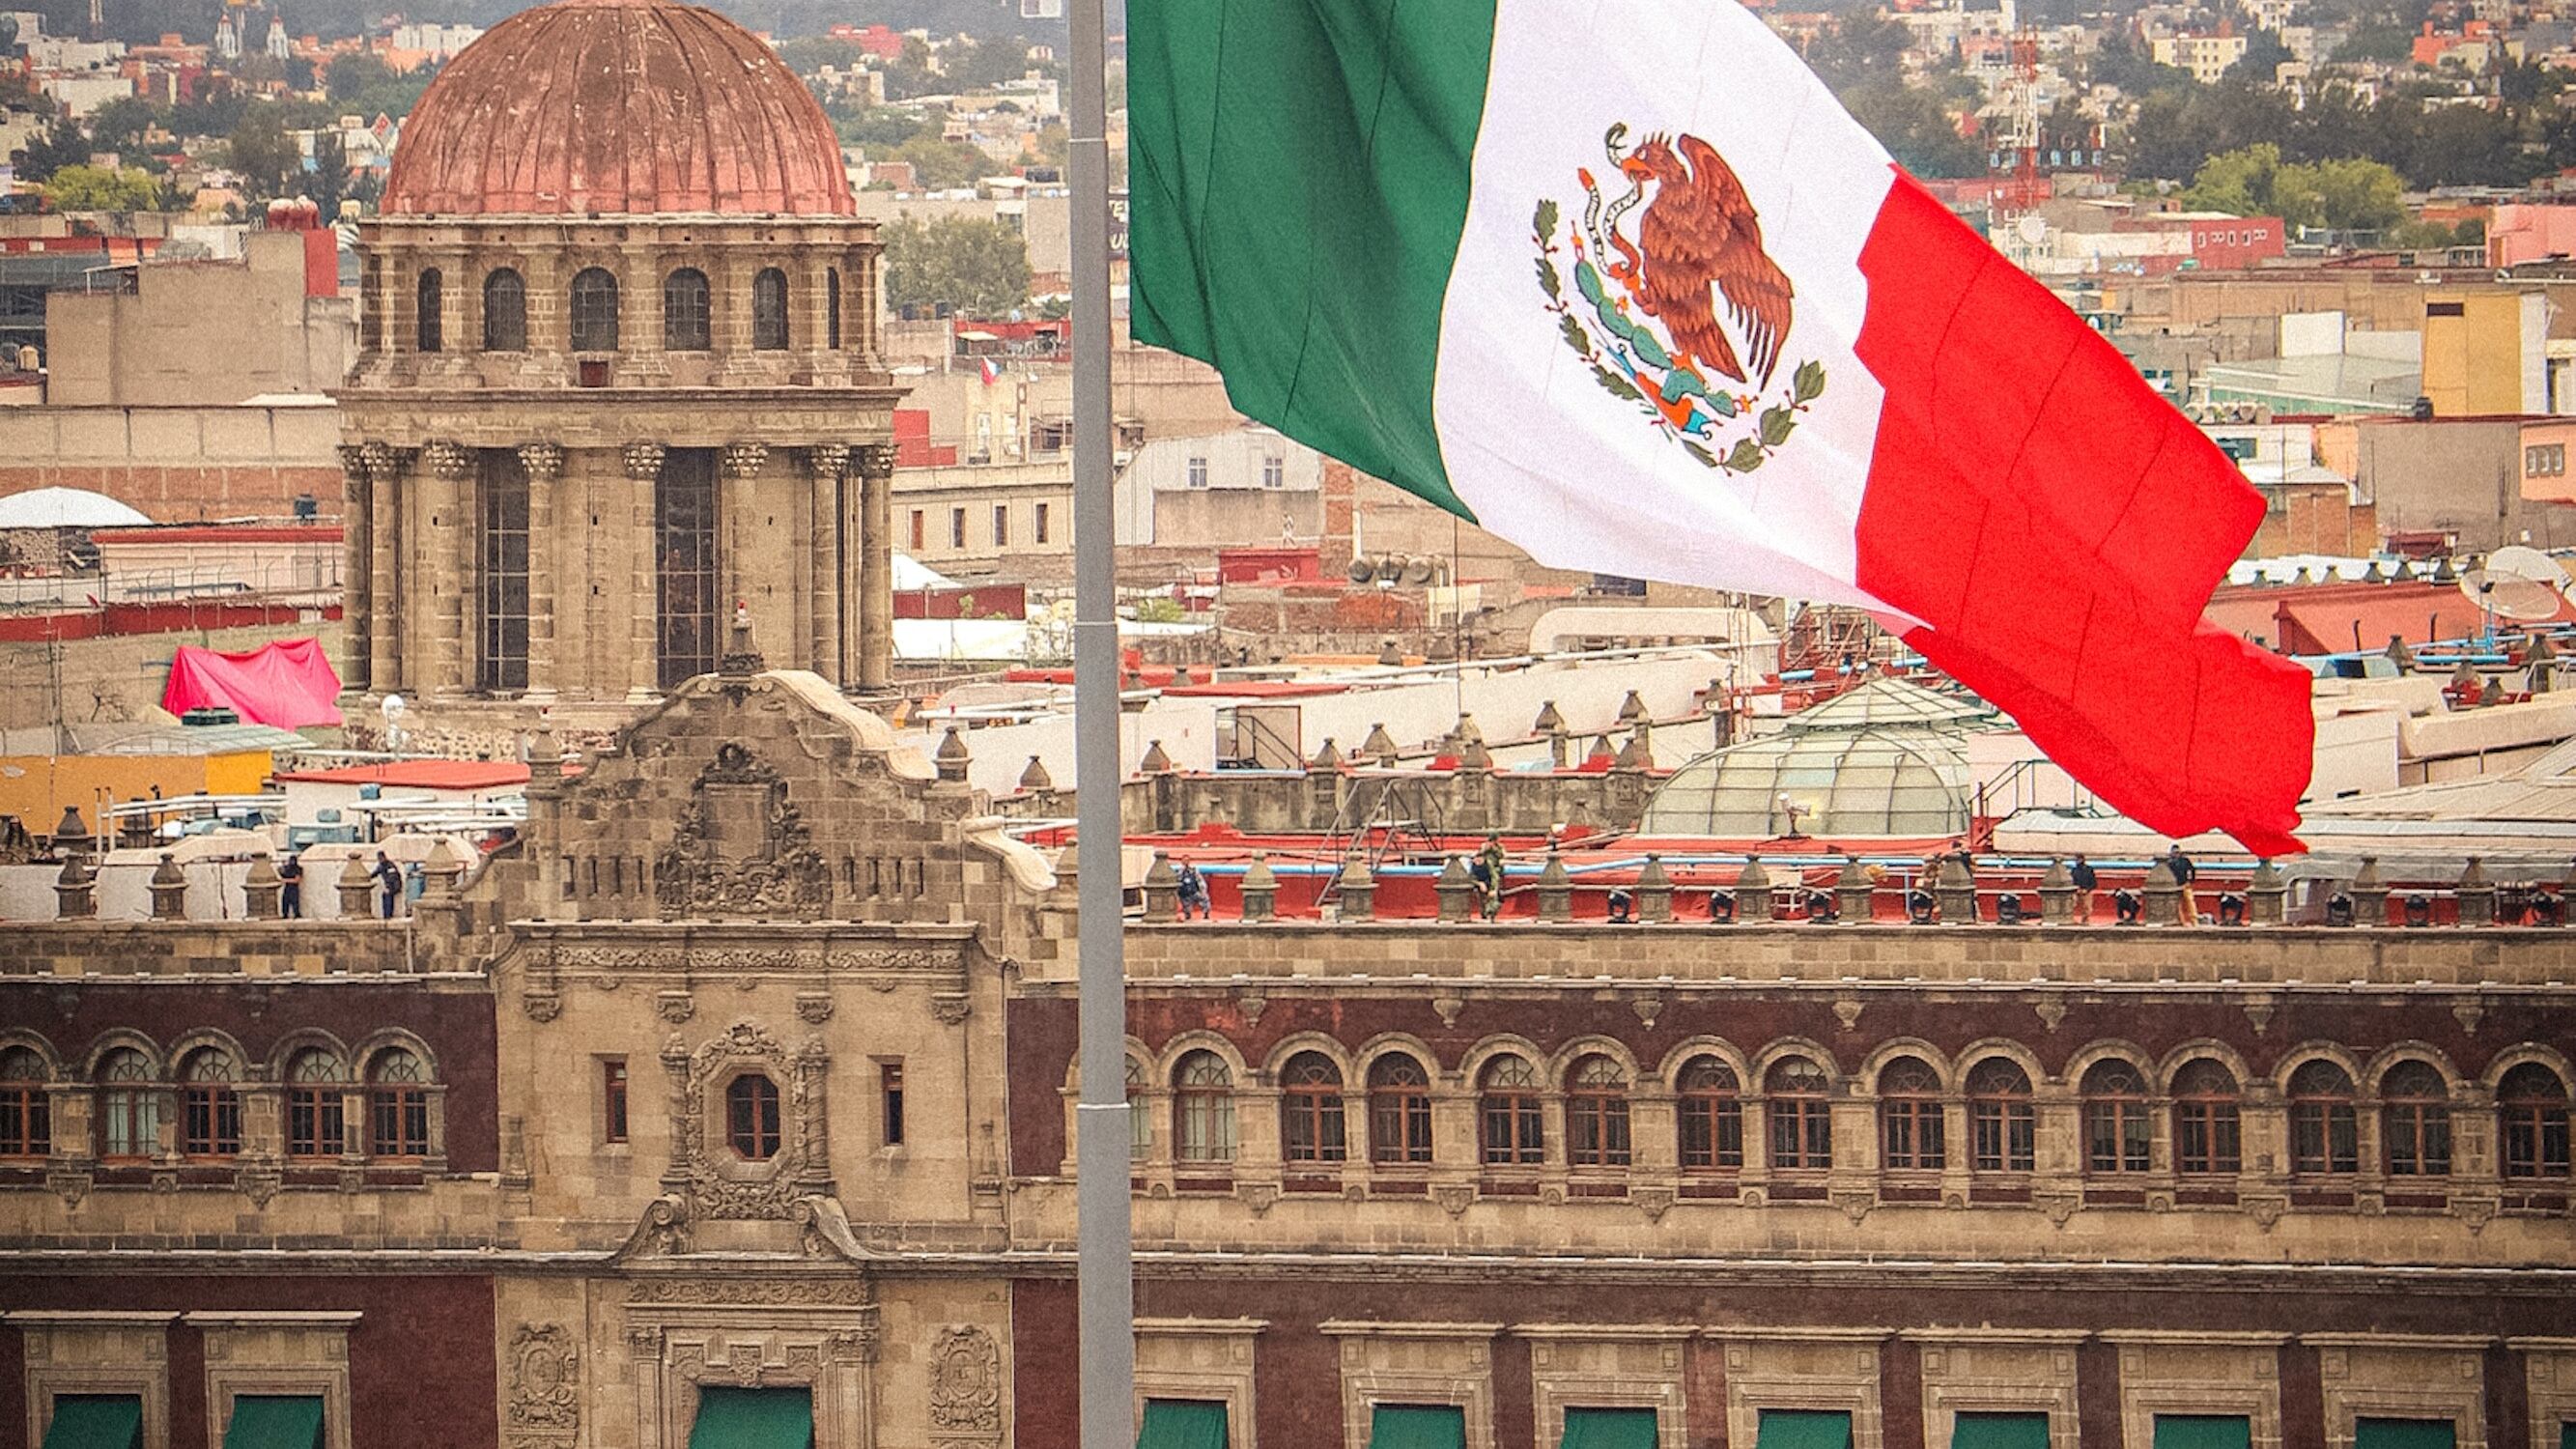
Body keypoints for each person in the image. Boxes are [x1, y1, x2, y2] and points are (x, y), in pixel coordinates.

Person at [1476, 832, 1509, 920]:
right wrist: (1486, 849)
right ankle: (1484, 911)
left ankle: (1492, 910)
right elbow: (1478, 855)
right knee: (1483, 893)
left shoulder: (1500, 847)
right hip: (1485, 870)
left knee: (1494, 890)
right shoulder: (1484, 845)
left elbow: (1502, 856)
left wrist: (1494, 849)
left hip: (1495, 870)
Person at [2165, 843, 2199, 923]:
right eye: (2174, 853)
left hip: (2184, 884)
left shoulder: (2184, 860)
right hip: (2174, 886)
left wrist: (2191, 880)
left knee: (2190, 901)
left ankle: (2194, 920)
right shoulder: (2168, 862)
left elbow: (2192, 870)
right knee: (2178, 904)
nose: (2176, 854)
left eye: (2177, 852)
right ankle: (2182, 921)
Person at [372, 850, 404, 920]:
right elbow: (375, 873)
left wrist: (388, 887)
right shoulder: (381, 866)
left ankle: (388, 915)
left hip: (394, 885)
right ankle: (386, 915)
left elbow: (392, 878)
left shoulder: (390, 865)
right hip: (389, 885)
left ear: (384, 857)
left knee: (388, 896)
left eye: (381, 858)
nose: (380, 860)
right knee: (385, 896)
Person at [2069, 852, 2098, 924]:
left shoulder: (2089, 869)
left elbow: (2093, 882)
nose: (2076, 861)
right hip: (2076, 891)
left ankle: (2085, 920)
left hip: (2086, 891)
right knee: (2071, 904)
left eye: (2077, 859)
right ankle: (2070, 919)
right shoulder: (2074, 870)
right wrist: (2076, 889)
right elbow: (2071, 881)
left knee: (2087, 907)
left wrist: (2087, 889)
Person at [276, 851, 303, 920]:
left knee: (295, 902)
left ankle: (296, 914)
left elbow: (297, 880)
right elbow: (280, 871)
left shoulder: (298, 869)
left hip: (294, 888)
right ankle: (285, 915)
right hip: (287, 887)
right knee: (285, 902)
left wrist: (285, 880)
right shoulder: (287, 868)